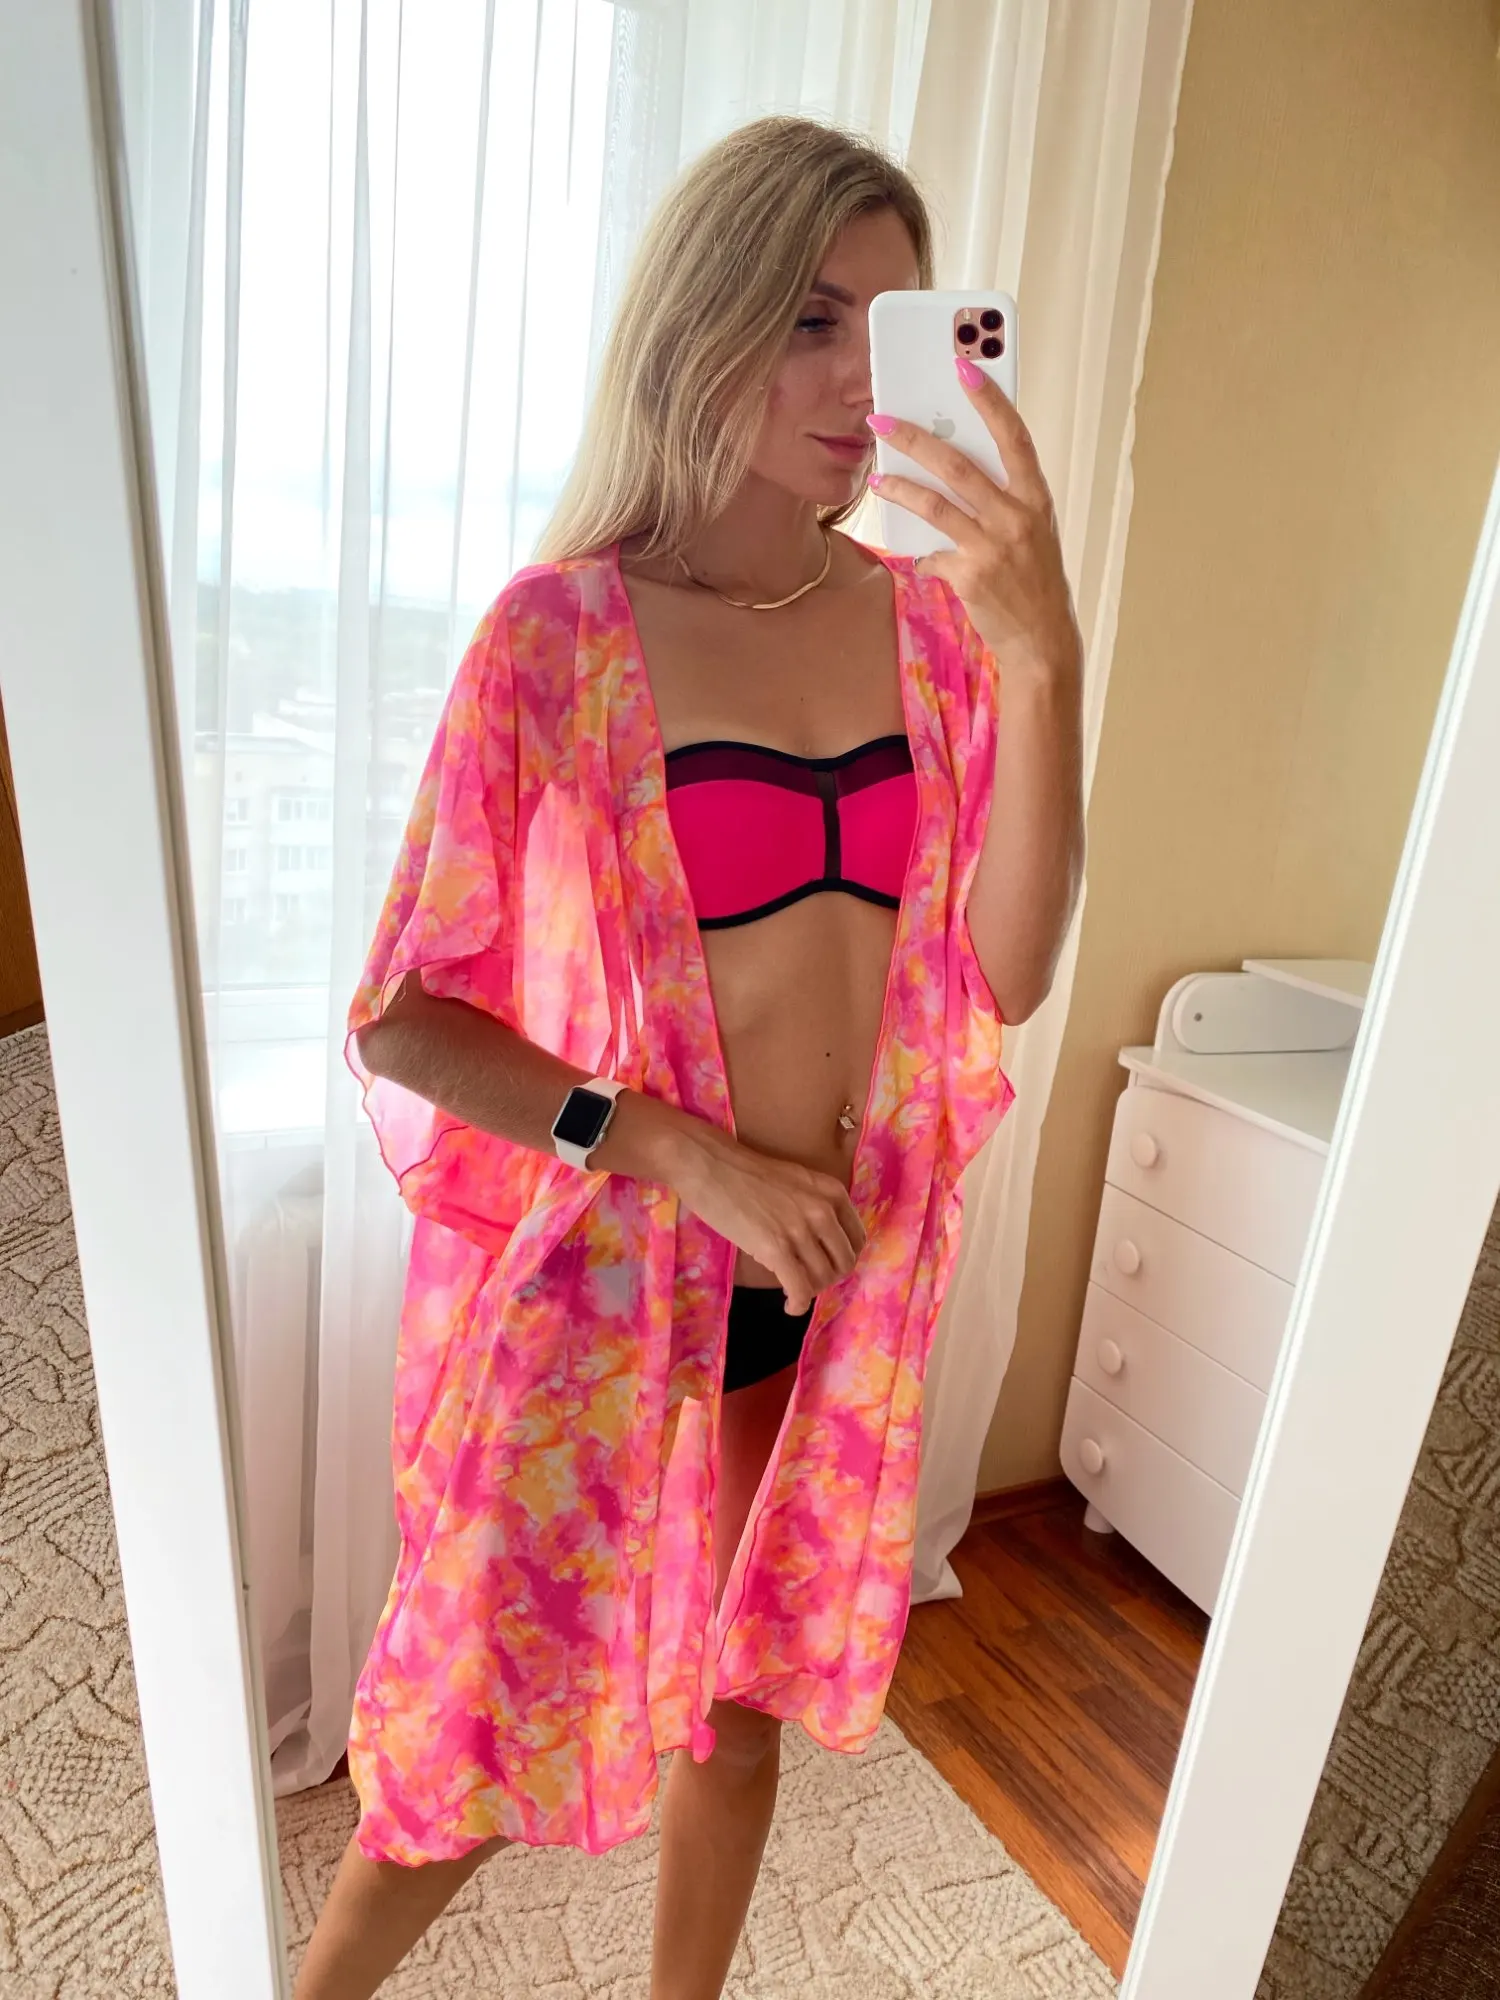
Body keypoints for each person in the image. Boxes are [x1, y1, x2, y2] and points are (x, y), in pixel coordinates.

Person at [292, 113, 1084, 2000]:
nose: (855, 379)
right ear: (700, 323)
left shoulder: (937, 634)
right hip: (618, 1277)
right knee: (472, 1731)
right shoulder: (559, 638)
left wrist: (1048, 658)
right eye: (809, 319)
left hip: (832, 1280)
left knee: (734, 1712)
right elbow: (402, 1013)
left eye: (893, 328)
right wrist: (676, 1151)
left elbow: (1012, 969)